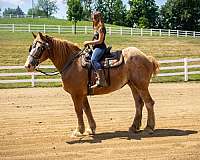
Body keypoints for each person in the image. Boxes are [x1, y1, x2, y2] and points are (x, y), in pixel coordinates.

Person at [83, 11, 107, 88]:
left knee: (94, 60)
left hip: (100, 47)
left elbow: (100, 41)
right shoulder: (96, 27)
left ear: (97, 18)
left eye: (93, 18)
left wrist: (88, 42)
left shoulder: (101, 28)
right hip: (96, 47)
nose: (92, 20)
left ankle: (101, 80)